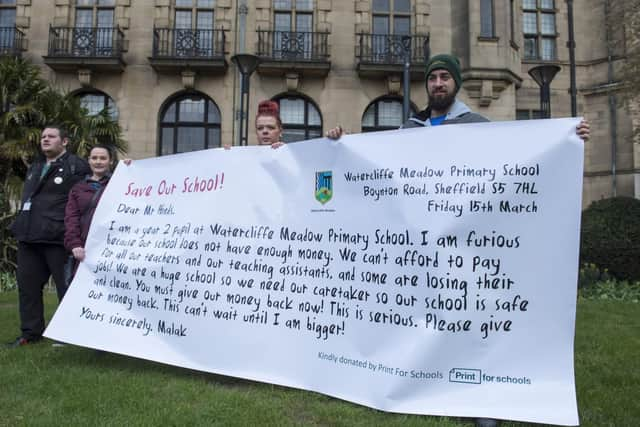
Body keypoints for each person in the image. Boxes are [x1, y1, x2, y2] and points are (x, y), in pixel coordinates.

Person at [326, 53, 590, 140]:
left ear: (456, 83)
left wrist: (568, 136)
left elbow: (519, 150)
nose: (438, 84)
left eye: (444, 77)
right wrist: (343, 142)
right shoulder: (409, 128)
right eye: (432, 78)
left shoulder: (478, 125)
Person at [8, 125, 90, 347]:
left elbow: (88, 195)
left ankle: (72, 335)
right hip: (29, 236)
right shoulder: (35, 166)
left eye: (51, 136)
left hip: (57, 237)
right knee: (28, 288)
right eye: (43, 136)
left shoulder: (76, 166)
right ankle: (30, 334)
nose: (45, 140)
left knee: (67, 288)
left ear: (64, 142)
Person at [64, 144, 116, 277]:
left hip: (112, 246)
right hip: (85, 248)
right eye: (94, 158)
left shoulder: (120, 183)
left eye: (103, 158)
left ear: (110, 161)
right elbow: (72, 218)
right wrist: (75, 244)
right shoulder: (78, 188)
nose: (98, 161)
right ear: (89, 160)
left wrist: (130, 169)